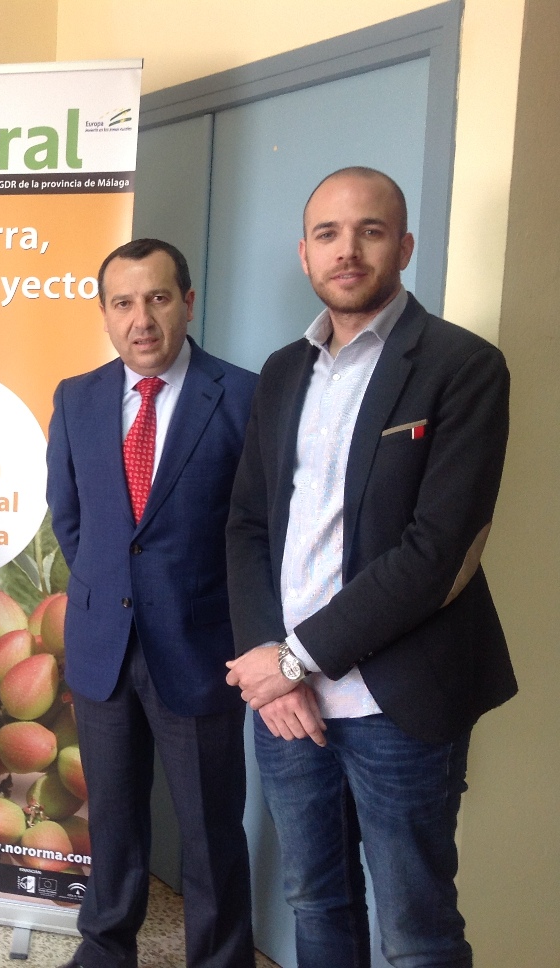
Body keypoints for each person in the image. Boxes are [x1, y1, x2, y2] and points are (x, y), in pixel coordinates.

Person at [225, 167, 515, 967]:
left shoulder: (462, 366)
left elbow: (437, 551)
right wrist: (269, 659)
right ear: (305, 253)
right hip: (290, 704)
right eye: (327, 234)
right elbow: (248, 523)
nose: (346, 250)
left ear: (405, 246)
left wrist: (293, 659)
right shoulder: (284, 371)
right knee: (315, 902)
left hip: (397, 698)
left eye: (370, 231)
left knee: (417, 932)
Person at [46, 239, 257, 968]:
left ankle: (220, 959)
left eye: (158, 298)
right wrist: (112, 594)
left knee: (209, 829)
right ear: (105, 314)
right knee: (112, 820)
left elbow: (256, 532)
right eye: (124, 303)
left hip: (201, 650)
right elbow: (70, 516)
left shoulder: (243, 396)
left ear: (188, 303)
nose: (142, 319)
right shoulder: (76, 397)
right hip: (103, 645)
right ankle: (106, 949)